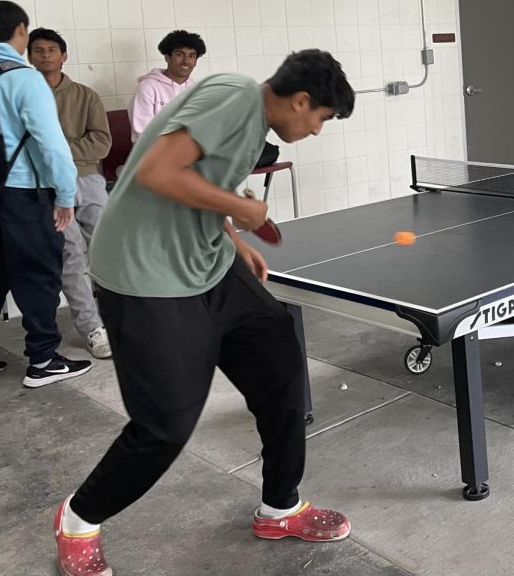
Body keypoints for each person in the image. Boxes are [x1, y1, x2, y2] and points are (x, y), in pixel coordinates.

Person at [55, 50, 356, 576]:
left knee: (280, 363)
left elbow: (201, 177)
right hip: (144, 274)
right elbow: (154, 170)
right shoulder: (236, 97)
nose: (317, 131)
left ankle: (280, 506)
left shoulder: (250, 115)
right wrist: (246, 209)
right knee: (166, 424)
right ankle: (79, 517)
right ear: (302, 101)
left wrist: (234, 238)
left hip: (209, 264)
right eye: (321, 120)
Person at [0, 1, 91, 387]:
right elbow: (51, 144)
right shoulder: (24, 78)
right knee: (39, 272)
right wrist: (65, 194)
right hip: (24, 192)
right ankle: (43, 359)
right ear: (21, 30)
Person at [28, 27, 113, 359]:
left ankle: (123, 317)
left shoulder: (86, 95)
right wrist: (62, 152)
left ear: (64, 56)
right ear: (29, 56)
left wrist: (56, 149)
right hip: (48, 187)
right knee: (71, 255)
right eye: (38, 50)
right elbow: (27, 150)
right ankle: (92, 327)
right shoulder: (24, 96)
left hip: (88, 180)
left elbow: (101, 143)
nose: (45, 55)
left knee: (108, 249)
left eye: (52, 49)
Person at [127, 29, 205, 141]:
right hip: (154, 152)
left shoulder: (198, 90)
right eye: (180, 55)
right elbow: (143, 134)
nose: (186, 61)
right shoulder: (148, 87)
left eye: (192, 56)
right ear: (167, 58)